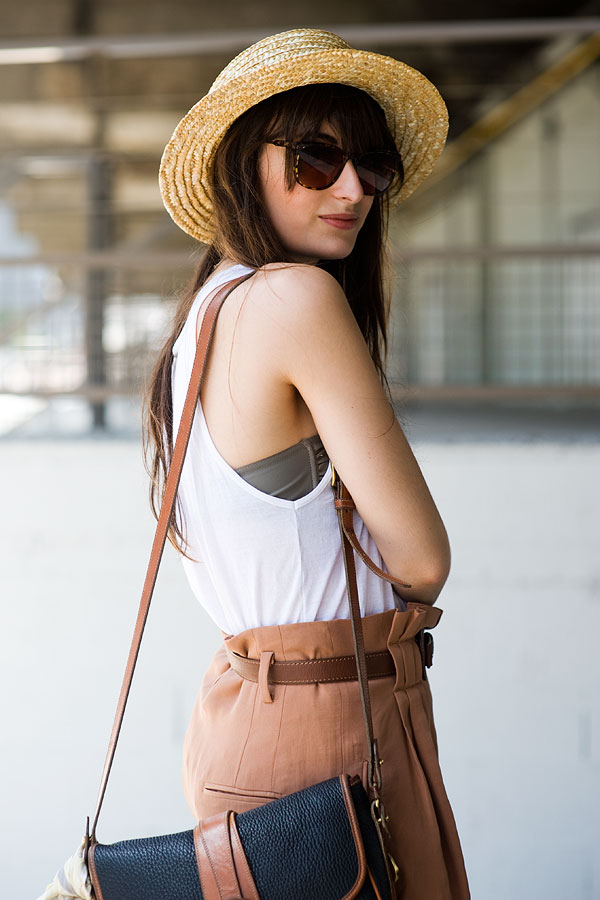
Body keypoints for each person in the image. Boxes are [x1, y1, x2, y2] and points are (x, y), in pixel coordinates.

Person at [144, 27, 470, 900]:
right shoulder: (296, 298)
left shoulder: (204, 318)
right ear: (243, 164)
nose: (355, 187)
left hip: (253, 716)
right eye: (317, 157)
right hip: (333, 727)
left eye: (373, 163)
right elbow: (424, 559)